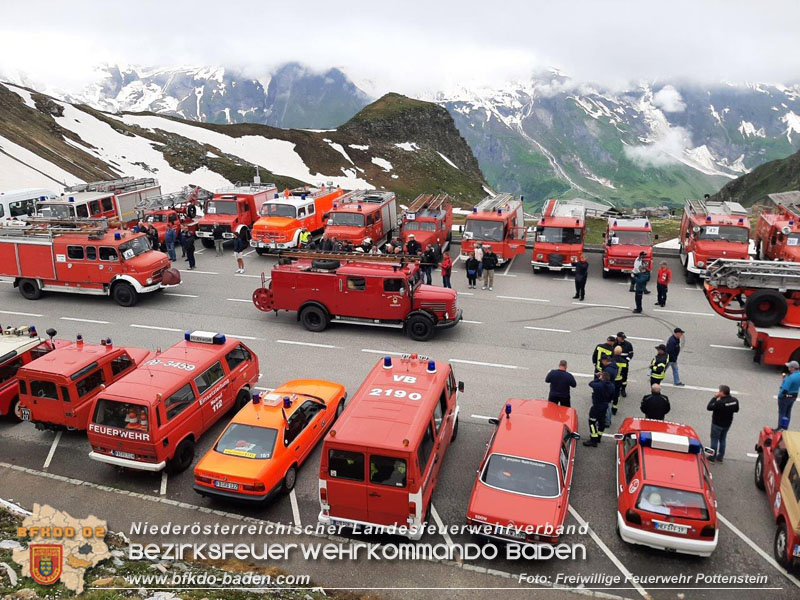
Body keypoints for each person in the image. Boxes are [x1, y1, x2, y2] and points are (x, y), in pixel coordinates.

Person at [706, 385, 739, 463]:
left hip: (717, 424)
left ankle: (712, 457)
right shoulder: (735, 400)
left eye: (719, 391)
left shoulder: (719, 402)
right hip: (727, 424)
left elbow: (709, 407)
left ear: (722, 393)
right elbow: (736, 410)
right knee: (722, 439)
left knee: (714, 440)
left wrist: (714, 397)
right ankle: (720, 456)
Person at [584, 372, 615, 447]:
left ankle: (593, 440)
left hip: (597, 406)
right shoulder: (612, 386)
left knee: (592, 422)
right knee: (601, 422)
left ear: (602, 377)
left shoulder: (598, 385)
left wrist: (598, 378)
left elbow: (591, 383)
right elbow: (612, 397)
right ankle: (599, 437)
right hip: (605, 406)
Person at [777, 360, 800, 430]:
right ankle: (785, 427)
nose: (788, 367)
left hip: (785, 397)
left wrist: (780, 396)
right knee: (787, 412)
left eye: (789, 366)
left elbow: (785, 389)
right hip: (793, 396)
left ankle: (780, 428)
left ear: (793, 368)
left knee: (782, 413)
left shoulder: (791, 378)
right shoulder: (798, 375)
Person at [615, 332, 634, 397]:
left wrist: (627, 360)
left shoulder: (628, 344)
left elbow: (631, 353)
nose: (622, 340)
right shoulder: (614, 343)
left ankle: (623, 389)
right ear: (617, 337)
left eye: (623, 338)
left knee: (624, 377)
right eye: (621, 338)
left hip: (624, 363)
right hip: (615, 363)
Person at [611, 346, 628, 415]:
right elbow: (625, 373)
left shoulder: (611, 360)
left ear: (614, 351)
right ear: (621, 353)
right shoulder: (624, 362)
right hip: (619, 380)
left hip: (611, 380)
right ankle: (614, 408)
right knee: (617, 394)